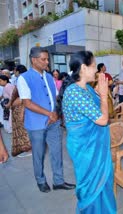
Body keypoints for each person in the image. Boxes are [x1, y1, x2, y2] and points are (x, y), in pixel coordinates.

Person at [62, 51, 116, 213]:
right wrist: (105, 94)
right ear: (84, 68)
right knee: (91, 187)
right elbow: (102, 119)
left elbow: (98, 110)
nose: (96, 71)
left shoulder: (86, 89)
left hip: (95, 148)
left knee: (103, 182)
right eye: (94, 66)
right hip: (85, 149)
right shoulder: (74, 92)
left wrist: (100, 93)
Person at [17, 47, 75, 193]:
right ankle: (40, 180)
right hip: (36, 124)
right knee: (38, 154)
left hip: (53, 122)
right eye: (43, 59)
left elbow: (55, 98)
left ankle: (58, 181)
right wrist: (49, 114)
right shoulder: (24, 78)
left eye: (47, 59)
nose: (46, 62)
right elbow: (27, 103)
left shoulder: (49, 76)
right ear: (34, 60)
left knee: (57, 152)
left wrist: (55, 113)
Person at [9, 65, 32, 157]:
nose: (14, 72)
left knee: (23, 129)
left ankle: (29, 148)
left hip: (22, 107)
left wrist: (15, 103)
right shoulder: (26, 78)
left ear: (18, 71)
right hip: (24, 107)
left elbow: (23, 96)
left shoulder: (21, 79)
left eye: (15, 70)